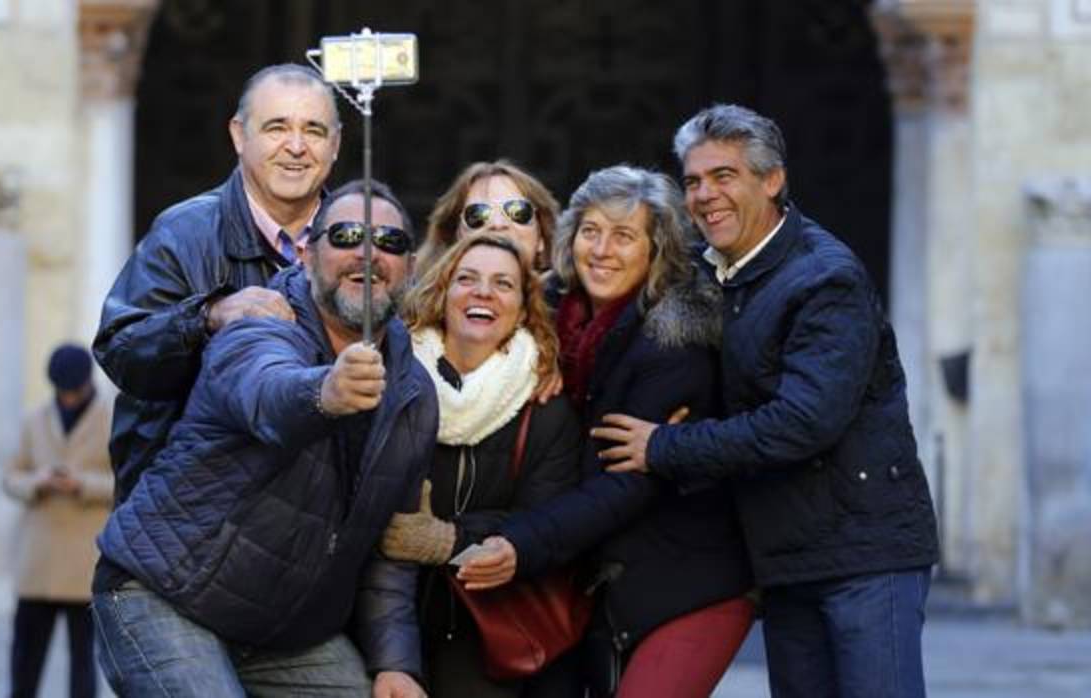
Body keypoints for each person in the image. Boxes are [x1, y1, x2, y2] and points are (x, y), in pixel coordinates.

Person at [596, 104, 940, 698]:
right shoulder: (707, 272)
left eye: (724, 176)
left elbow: (803, 422)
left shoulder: (824, 278)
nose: (705, 195)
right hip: (784, 559)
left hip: (864, 555)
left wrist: (666, 446)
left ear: (772, 180)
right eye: (695, 180)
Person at [90, 180, 434, 698]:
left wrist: (395, 663)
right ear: (305, 252)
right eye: (345, 235)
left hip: (286, 638)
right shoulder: (261, 326)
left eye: (389, 242)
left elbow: (389, 550)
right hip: (164, 596)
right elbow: (265, 392)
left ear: (410, 266)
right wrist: (326, 391)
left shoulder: (414, 394)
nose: (368, 253)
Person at [464, 166, 755, 698]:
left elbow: (627, 482)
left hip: (689, 584)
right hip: (601, 582)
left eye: (623, 236)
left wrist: (520, 544)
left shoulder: (672, 345)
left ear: (657, 250)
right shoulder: (551, 322)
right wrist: (539, 353)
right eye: (590, 231)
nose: (601, 250)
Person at [91, 62, 340, 521]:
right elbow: (120, 350)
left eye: (314, 130)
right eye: (276, 127)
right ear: (239, 136)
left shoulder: (361, 242)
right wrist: (205, 317)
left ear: (337, 144)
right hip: (185, 532)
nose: (297, 146)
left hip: (313, 540)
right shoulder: (183, 232)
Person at [378, 233, 583, 697]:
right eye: (466, 279)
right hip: (381, 616)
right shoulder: (392, 380)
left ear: (525, 308)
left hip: (483, 629)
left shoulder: (544, 406)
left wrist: (448, 539)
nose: (483, 292)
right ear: (441, 293)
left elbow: (545, 521)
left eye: (503, 284)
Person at [1, 344, 114, 698]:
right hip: (38, 561)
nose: (66, 398)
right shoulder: (33, 419)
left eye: (73, 391)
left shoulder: (112, 418)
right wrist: (39, 481)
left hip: (84, 563)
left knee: (83, 661)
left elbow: (127, 482)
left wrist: (82, 484)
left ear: (86, 384)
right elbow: (9, 477)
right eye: (61, 391)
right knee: (24, 659)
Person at [416, 160, 561, 275]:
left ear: (541, 238)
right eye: (478, 214)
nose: (498, 224)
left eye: (517, 211)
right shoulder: (416, 311)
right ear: (453, 238)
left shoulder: (571, 310)